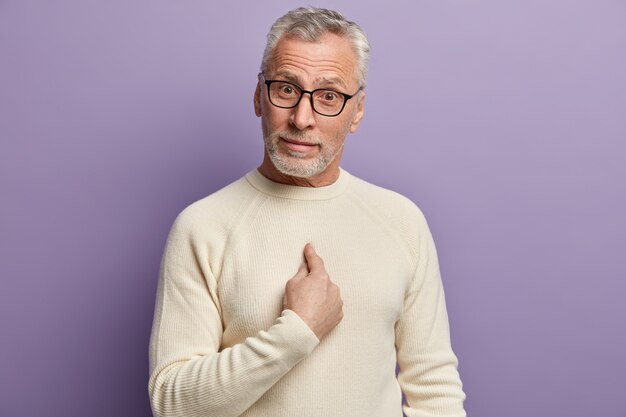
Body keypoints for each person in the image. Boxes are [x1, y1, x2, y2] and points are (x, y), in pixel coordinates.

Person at [148, 6, 466, 417]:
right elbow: (172, 403)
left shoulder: (402, 221)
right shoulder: (203, 226)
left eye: (329, 96)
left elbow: (436, 394)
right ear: (258, 96)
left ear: (358, 111)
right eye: (286, 90)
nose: (302, 118)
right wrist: (295, 332)